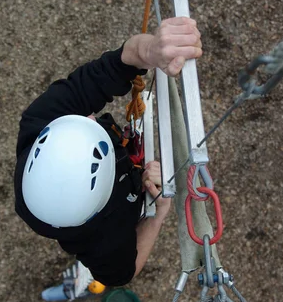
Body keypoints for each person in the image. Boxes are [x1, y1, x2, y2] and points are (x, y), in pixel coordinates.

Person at [14, 17, 203, 286]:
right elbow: (121, 274)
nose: (89, 116)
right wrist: (158, 214)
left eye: (81, 123)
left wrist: (151, 51)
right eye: (90, 128)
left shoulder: (43, 120)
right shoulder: (103, 241)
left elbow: (116, 64)